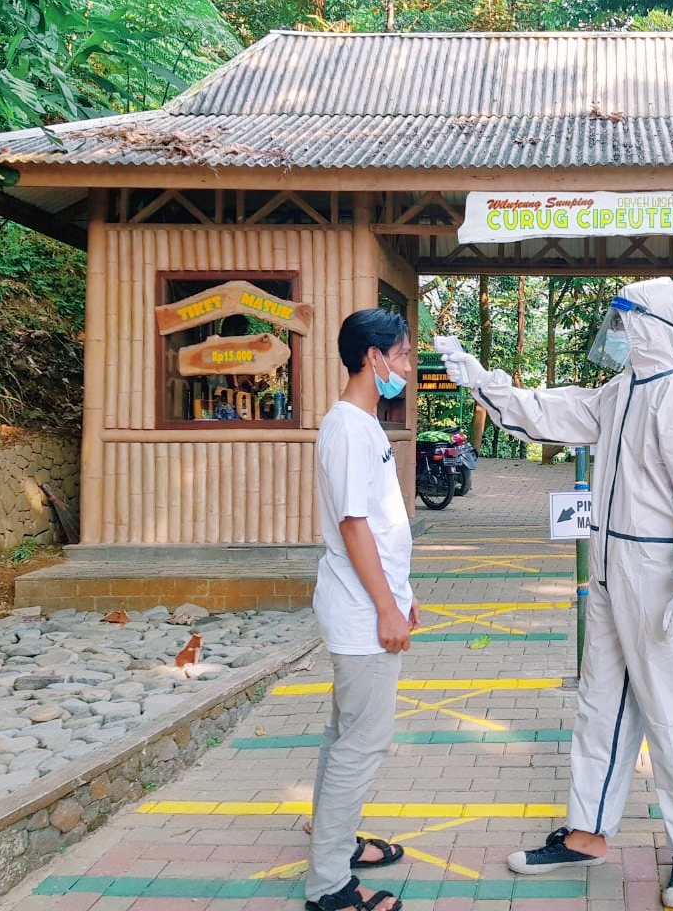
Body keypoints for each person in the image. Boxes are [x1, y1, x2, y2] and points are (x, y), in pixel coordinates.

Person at [442, 277, 673, 908]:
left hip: (657, 572)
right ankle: (586, 835)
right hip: (609, 565)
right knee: (599, 703)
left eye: (622, 318)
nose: (614, 329)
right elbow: (553, 412)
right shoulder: (618, 393)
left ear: (646, 325)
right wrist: (480, 377)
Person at [306, 308, 420, 911]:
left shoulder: (362, 424)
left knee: (342, 734)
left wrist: (402, 595)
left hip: (366, 602)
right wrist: (386, 609)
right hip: (359, 613)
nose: (408, 367)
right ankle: (329, 886)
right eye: (402, 356)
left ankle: (337, 844)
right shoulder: (348, 428)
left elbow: (378, 524)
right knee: (361, 744)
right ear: (373, 358)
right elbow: (353, 526)